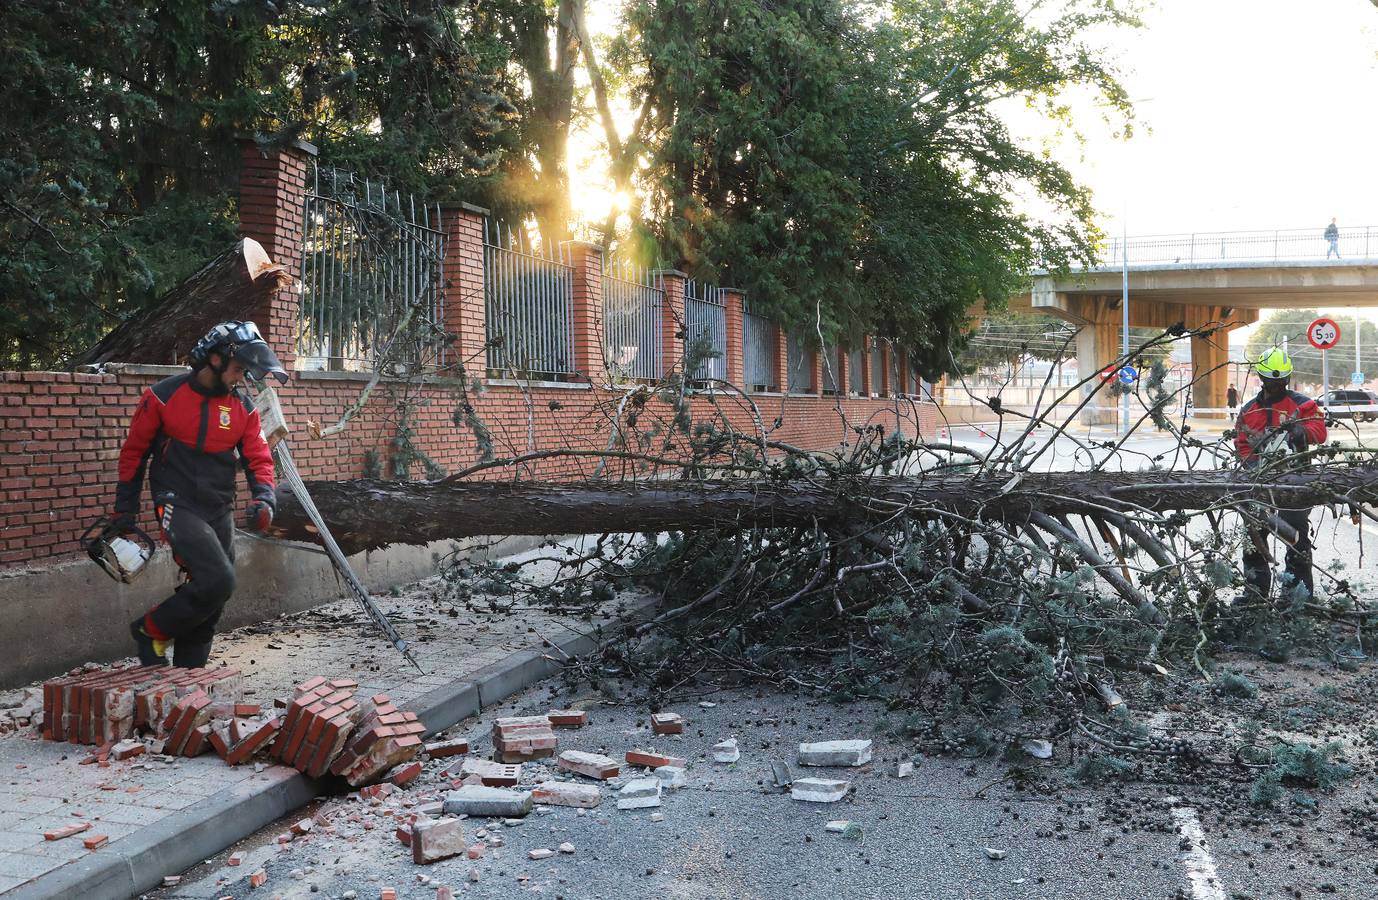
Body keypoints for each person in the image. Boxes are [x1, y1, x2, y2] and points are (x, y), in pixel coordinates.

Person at [113, 321, 287, 667]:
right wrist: (125, 509)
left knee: (216, 595)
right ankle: (151, 630)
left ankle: (189, 679)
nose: (242, 378)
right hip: (176, 501)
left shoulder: (243, 408)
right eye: (238, 369)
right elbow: (134, 452)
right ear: (215, 360)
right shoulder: (163, 396)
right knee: (218, 578)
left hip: (218, 506)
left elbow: (258, 457)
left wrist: (265, 497)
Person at [1233, 348, 1327, 601]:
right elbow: (1241, 443)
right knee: (1253, 537)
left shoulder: (1302, 404)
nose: (1277, 385)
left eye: (1282, 381)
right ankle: (1255, 593)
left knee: (1296, 536)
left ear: (1287, 378)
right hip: (1258, 482)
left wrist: (1299, 431)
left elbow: (1320, 431)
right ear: (1262, 378)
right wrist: (1252, 465)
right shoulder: (1249, 410)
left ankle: (1298, 594)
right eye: (1272, 382)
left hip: (1295, 481)